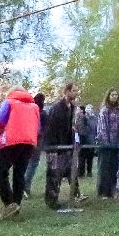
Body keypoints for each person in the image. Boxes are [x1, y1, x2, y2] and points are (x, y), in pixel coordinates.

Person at [0, 87, 41, 217]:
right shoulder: (34, 107)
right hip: (28, 143)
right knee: (19, 174)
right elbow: (38, 127)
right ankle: (17, 204)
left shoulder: (9, 102)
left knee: (0, 172)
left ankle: (9, 203)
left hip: (11, 141)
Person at [42, 83, 85, 211]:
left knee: (71, 172)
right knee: (54, 175)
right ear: (66, 91)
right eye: (74, 90)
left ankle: (76, 195)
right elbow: (50, 129)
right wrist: (53, 148)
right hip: (56, 147)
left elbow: (73, 127)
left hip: (68, 147)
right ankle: (51, 201)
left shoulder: (73, 108)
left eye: (77, 90)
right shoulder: (56, 108)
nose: (76, 93)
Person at [94, 89, 119, 198]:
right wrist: (107, 143)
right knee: (104, 168)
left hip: (115, 144)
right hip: (105, 144)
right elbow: (103, 128)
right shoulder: (104, 110)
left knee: (114, 168)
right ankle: (103, 192)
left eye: (116, 95)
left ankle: (112, 190)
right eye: (112, 95)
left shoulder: (118, 111)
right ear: (108, 96)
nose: (114, 96)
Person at [76, 105, 97, 179]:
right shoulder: (82, 117)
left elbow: (94, 128)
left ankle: (89, 172)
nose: (88, 110)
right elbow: (79, 128)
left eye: (89, 108)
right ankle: (81, 173)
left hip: (91, 140)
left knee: (90, 158)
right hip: (83, 139)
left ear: (92, 110)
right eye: (87, 108)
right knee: (81, 157)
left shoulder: (94, 118)